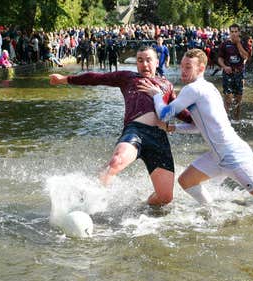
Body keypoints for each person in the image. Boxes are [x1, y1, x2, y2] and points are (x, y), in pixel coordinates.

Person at [138, 48, 253, 215]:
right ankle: (212, 211)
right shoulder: (209, 88)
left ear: (201, 68)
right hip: (217, 155)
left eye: (188, 67)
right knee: (186, 181)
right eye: (182, 66)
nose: (183, 71)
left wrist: (156, 95)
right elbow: (199, 127)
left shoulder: (193, 89)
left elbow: (164, 114)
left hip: (233, 155)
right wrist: (172, 128)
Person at [48, 46, 191, 206]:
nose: (144, 64)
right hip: (136, 130)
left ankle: (143, 208)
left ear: (157, 62)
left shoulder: (166, 85)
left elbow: (180, 111)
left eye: (148, 60)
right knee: (117, 161)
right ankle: (87, 200)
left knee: (165, 198)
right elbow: (97, 78)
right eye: (140, 60)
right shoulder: (128, 77)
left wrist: (205, 121)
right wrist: (65, 79)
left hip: (159, 138)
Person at [217, 23, 252, 120]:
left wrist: (238, 43)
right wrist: (224, 67)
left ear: (239, 32)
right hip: (228, 73)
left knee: (238, 99)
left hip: (239, 73)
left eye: (236, 32)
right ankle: (225, 119)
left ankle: (236, 119)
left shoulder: (244, 44)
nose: (234, 34)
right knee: (227, 97)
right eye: (232, 32)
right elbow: (220, 58)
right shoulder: (224, 44)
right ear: (229, 32)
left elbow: (246, 57)